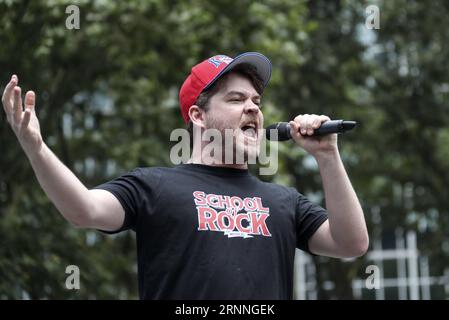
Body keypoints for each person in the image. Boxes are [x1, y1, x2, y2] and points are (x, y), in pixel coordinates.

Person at [1, 52, 368, 299]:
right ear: (198, 116)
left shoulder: (284, 201)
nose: (253, 108)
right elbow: (84, 210)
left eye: (257, 101)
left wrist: (327, 155)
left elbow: (351, 243)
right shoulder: (153, 186)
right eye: (237, 99)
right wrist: (37, 148)